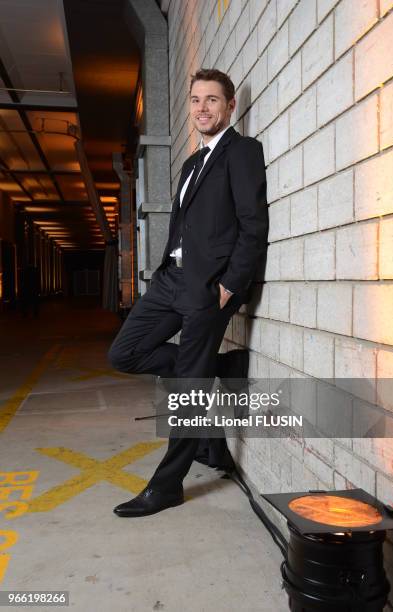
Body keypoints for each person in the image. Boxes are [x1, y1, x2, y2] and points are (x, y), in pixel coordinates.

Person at [108, 68, 268, 517]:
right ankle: (219, 366)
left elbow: (253, 227)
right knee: (124, 353)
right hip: (170, 281)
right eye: (196, 100)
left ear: (230, 106)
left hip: (207, 288)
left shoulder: (242, 152)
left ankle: (167, 486)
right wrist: (163, 273)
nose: (202, 108)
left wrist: (228, 287)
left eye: (212, 100)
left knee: (189, 393)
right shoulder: (191, 163)